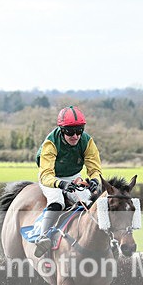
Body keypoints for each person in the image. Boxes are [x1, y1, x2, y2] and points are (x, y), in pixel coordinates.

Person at [33, 106, 103, 257]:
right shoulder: (50, 143)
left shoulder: (87, 141)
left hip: (73, 176)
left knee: (89, 203)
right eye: (70, 132)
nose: (75, 136)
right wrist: (61, 184)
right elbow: (46, 174)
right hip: (51, 178)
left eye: (79, 131)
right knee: (58, 200)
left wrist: (95, 181)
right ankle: (43, 237)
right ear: (61, 130)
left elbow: (95, 169)